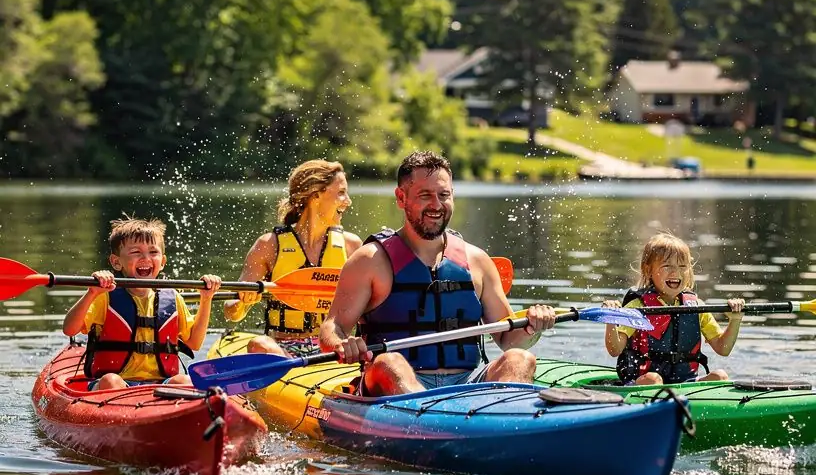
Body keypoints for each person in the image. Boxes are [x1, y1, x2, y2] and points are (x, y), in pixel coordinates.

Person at [318, 150, 556, 394]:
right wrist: (342, 344)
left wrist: (532, 326)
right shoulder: (369, 261)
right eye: (425, 195)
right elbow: (331, 329)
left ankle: (507, 425)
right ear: (401, 198)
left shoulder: (478, 261)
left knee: (520, 359)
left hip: (466, 382)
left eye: (444, 195)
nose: (436, 205)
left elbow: (509, 341)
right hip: (392, 386)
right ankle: (428, 423)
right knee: (390, 363)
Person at [62, 216, 222, 390]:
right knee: (111, 381)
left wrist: (206, 299)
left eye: (153, 252)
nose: (146, 258)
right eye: (136, 252)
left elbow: (194, 342)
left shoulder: (173, 298)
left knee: (184, 380)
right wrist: (92, 292)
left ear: (162, 262)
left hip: (161, 384)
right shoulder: (105, 296)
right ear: (116, 262)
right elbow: (69, 329)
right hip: (114, 385)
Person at [222, 160, 361, 356]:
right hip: (282, 347)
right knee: (259, 343)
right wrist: (243, 301)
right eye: (341, 193)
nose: (348, 200)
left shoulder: (351, 246)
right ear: (316, 196)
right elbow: (230, 311)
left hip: (332, 348)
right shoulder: (269, 245)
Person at [604, 231, 744, 386]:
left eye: (682, 266)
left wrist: (735, 319)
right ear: (648, 270)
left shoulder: (696, 307)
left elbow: (723, 349)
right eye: (667, 266)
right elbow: (615, 350)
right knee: (653, 380)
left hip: (686, 381)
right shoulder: (637, 307)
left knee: (720, 376)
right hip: (644, 381)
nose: (675, 272)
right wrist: (611, 320)